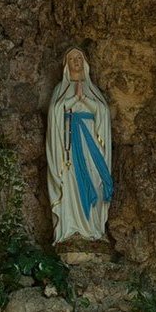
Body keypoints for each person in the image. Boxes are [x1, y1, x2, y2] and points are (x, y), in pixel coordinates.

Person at [45, 47, 114, 245]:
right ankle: (71, 229)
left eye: (79, 57)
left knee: (94, 179)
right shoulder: (60, 88)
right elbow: (55, 113)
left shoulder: (93, 90)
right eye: (72, 58)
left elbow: (103, 113)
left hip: (90, 144)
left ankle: (93, 229)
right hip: (68, 147)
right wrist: (73, 99)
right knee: (71, 182)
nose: (76, 61)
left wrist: (87, 102)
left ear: (85, 62)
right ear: (66, 65)